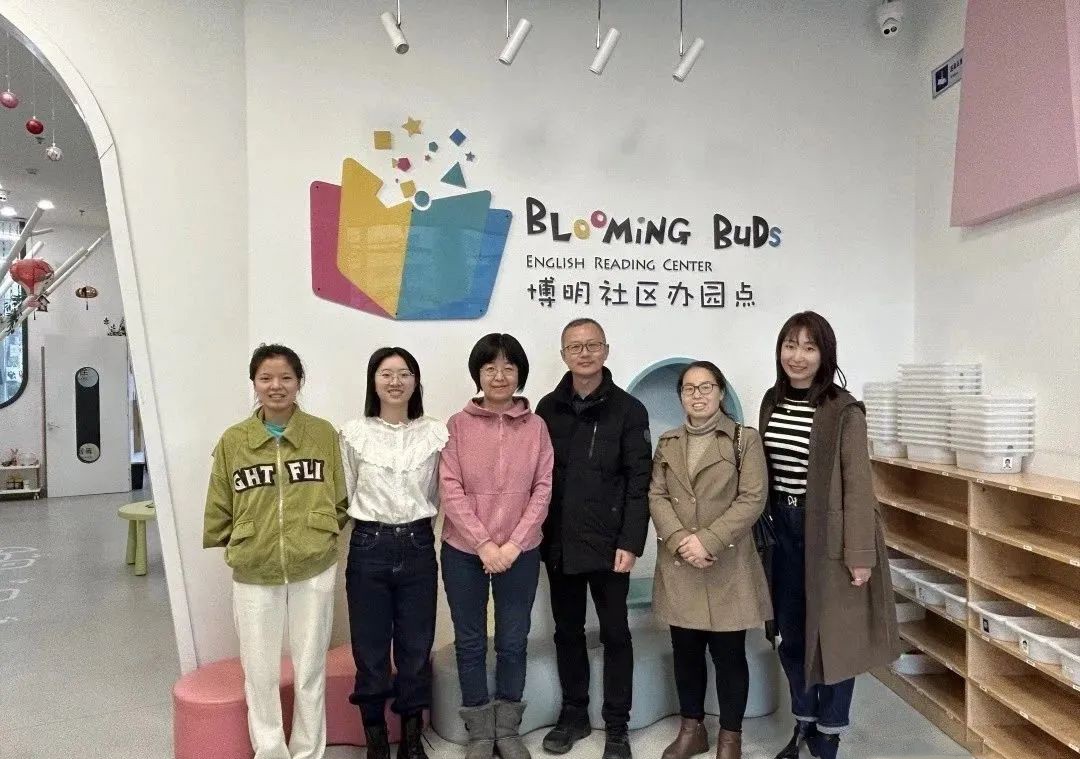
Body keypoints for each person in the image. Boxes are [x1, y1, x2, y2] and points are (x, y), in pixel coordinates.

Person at [760, 312, 901, 759]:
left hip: (829, 534)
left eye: (809, 347)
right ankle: (803, 722)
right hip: (782, 530)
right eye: (790, 345)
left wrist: (860, 554)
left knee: (836, 637)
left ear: (825, 355)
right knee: (792, 634)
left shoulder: (843, 410)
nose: (797, 356)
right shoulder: (771, 401)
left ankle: (829, 733)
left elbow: (858, 485)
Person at [203, 344, 348, 759]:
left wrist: (319, 536)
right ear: (254, 383)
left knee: (310, 668)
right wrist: (241, 543)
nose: (276, 386)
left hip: (313, 566)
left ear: (299, 382)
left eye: (285, 377)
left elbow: (340, 497)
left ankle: (308, 752)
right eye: (266, 378)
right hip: (255, 569)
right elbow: (219, 504)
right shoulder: (234, 441)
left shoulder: (322, 434)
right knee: (259, 672)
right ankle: (269, 751)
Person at [535, 318, 652, 759]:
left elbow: (639, 482)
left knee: (616, 634)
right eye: (575, 346)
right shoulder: (547, 408)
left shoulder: (629, 410)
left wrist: (631, 542)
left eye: (592, 345)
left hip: (610, 545)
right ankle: (574, 714)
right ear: (563, 354)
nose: (584, 353)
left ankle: (617, 726)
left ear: (606, 350)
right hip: (560, 542)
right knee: (567, 631)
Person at [440, 333, 554, 759]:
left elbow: (543, 489)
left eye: (509, 367)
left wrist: (513, 544)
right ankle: (478, 732)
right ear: (478, 374)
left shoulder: (536, 427)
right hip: (463, 551)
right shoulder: (457, 424)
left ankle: (507, 730)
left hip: (521, 552)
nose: (500, 376)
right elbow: (450, 488)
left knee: (513, 639)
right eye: (490, 368)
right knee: (470, 640)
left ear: (520, 374)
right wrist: (485, 544)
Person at [649, 361, 771, 759]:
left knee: (729, 654)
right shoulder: (667, 442)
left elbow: (752, 498)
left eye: (706, 387)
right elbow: (656, 495)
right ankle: (692, 730)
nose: (697, 395)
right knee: (685, 652)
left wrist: (708, 541)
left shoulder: (743, 439)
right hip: (681, 562)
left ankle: (730, 738)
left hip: (727, 563)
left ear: (720, 392)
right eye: (689, 388)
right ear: (680, 396)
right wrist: (680, 540)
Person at [339, 347, 448, 759]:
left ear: (416, 382)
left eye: (404, 373)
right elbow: (349, 489)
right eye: (386, 373)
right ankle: (377, 742)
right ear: (373, 381)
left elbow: (437, 493)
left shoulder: (434, 433)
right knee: (369, 651)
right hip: (369, 546)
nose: (396, 381)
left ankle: (412, 740)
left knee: (415, 650)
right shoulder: (354, 433)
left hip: (418, 546)